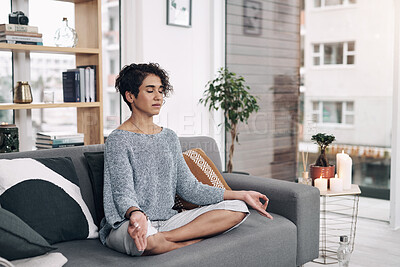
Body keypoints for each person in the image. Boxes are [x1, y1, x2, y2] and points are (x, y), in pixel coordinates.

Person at [99, 63, 273, 256]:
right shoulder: (118, 139)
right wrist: (135, 213)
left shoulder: (169, 137)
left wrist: (241, 194)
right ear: (130, 96)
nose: (158, 97)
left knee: (238, 208)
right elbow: (122, 193)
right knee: (145, 241)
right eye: (150, 91)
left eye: (161, 90)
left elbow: (190, 188)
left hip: (168, 221)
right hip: (128, 223)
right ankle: (186, 241)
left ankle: (166, 239)